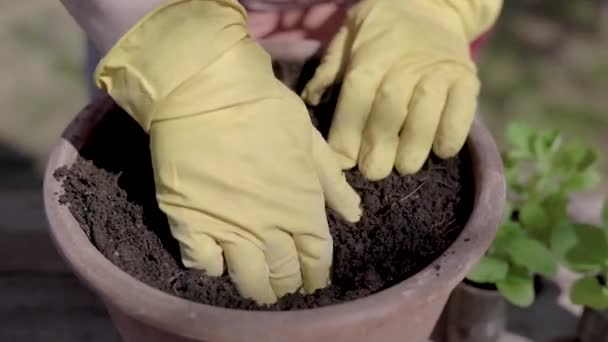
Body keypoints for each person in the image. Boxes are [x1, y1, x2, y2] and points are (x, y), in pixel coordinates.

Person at [60, 0, 503, 305]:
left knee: (415, 117)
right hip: (166, 18)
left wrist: (434, 8)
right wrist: (181, 63)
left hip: (387, 25)